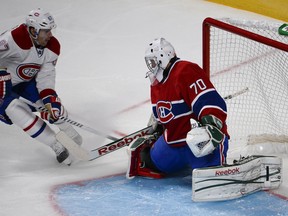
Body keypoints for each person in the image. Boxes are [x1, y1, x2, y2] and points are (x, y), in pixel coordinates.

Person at [126, 38, 229, 179]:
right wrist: (157, 128)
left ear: (163, 56)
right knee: (148, 160)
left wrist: (211, 123)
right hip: (174, 142)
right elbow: (161, 113)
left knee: (209, 176)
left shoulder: (185, 70)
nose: (150, 65)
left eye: (152, 60)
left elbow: (207, 100)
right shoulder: (156, 82)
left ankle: (213, 164)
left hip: (198, 142)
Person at [0, 8, 82, 165]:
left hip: (24, 83)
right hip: (3, 84)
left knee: (52, 106)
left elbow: (46, 76)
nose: (50, 35)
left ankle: (71, 134)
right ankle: (56, 145)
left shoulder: (52, 46)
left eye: (50, 30)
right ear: (33, 30)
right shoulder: (14, 39)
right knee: (14, 109)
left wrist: (49, 97)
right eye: (46, 31)